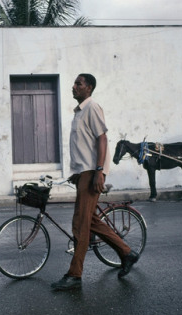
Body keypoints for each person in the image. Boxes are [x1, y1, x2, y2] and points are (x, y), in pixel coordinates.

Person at [51, 74, 139, 291]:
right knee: (89, 220)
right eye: (74, 83)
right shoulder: (79, 112)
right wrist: (78, 172)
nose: (73, 86)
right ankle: (127, 253)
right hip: (85, 172)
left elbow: (102, 138)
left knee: (81, 224)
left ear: (88, 88)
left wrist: (99, 171)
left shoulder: (92, 107)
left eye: (78, 84)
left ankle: (75, 275)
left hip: (93, 172)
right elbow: (84, 146)